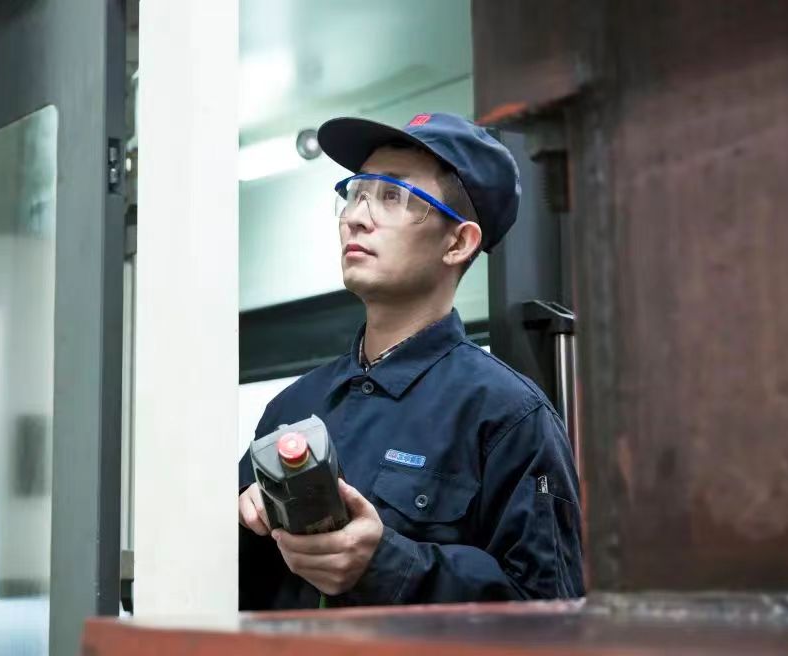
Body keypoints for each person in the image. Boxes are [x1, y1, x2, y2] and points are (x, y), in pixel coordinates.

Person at [237, 113, 584, 609]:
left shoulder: (509, 417)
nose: (356, 217)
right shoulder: (291, 408)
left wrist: (385, 563)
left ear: (458, 243)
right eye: (356, 193)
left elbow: (551, 613)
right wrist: (242, 519)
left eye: (392, 196)